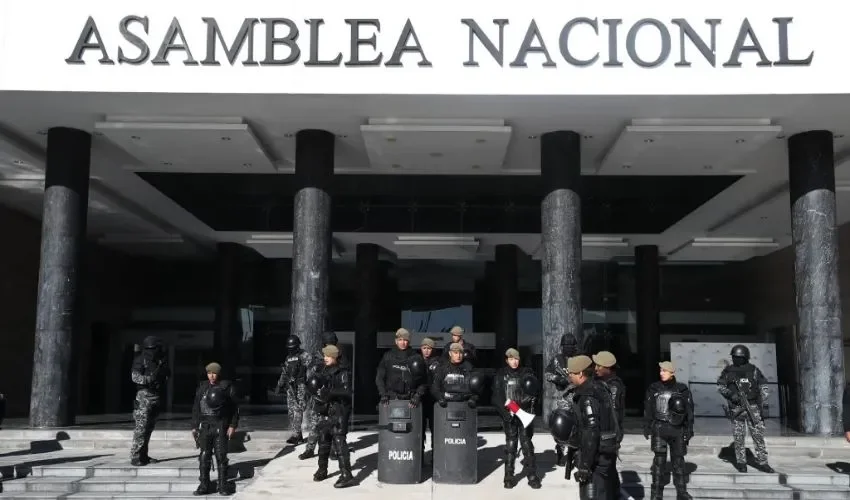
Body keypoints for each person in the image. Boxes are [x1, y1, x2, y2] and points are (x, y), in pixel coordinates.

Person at [566, 355, 620, 500]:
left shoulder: (588, 395)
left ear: (580, 374)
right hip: (603, 451)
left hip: (596, 457)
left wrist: (585, 464)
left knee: (593, 495)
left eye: (571, 373)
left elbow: (591, 432)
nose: (569, 376)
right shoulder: (599, 387)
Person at [717, 345, 775, 473]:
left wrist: (760, 399)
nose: (735, 359)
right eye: (734, 357)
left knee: (758, 436)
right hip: (736, 408)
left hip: (753, 407)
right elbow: (720, 386)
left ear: (745, 358)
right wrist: (731, 395)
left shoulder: (753, 370)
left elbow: (763, 385)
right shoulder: (728, 371)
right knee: (739, 437)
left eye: (738, 357)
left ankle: (763, 462)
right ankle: (741, 462)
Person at [492, 348, 542, 489]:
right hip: (509, 413)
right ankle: (508, 476)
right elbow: (496, 396)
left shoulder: (527, 373)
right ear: (507, 360)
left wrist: (526, 407)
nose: (514, 362)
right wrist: (505, 412)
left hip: (523, 412)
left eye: (517, 359)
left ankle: (532, 475)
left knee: (526, 444)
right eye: (511, 359)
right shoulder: (501, 374)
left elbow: (534, 391)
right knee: (511, 445)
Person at [644, 361, 694, 500]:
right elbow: (648, 408)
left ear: (672, 373)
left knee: (678, 461)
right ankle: (656, 494)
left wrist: (689, 429)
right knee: (659, 462)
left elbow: (689, 410)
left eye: (664, 371)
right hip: (660, 428)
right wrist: (647, 426)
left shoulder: (682, 389)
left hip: (677, 429)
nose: (661, 373)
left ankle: (682, 492)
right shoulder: (654, 388)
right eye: (660, 370)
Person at [310, 344, 357, 488]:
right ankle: (322, 469)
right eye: (325, 356)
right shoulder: (324, 370)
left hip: (340, 412)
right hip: (326, 411)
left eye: (328, 356)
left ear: (335, 357)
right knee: (323, 441)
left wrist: (331, 393)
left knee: (339, 443)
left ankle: (346, 475)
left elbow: (348, 392)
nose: (325, 358)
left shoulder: (343, 372)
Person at [191, 362, 240, 496]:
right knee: (204, 455)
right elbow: (196, 408)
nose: (211, 376)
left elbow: (234, 408)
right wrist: (194, 426)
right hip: (205, 425)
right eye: (209, 373)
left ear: (218, 374)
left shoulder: (226, 387)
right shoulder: (202, 387)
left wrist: (232, 425)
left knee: (221, 455)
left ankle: (223, 485)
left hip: (220, 424)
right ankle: (204, 484)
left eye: (214, 373)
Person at [300, 332, 348, 460]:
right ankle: (310, 449)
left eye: (332, 343)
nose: (330, 346)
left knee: (334, 425)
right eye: (328, 343)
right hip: (319, 396)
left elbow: (344, 374)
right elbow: (312, 375)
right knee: (315, 424)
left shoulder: (340, 356)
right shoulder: (318, 355)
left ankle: (333, 450)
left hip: (332, 397)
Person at [130, 335, 170, 466]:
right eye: (153, 349)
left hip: (156, 396)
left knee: (149, 428)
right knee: (141, 428)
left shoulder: (160, 361)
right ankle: (135, 456)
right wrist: (148, 379)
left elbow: (167, 375)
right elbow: (135, 377)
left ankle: (144, 455)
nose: (154, 352)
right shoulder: (140, 360)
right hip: (144, 395)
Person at [545, 333, 579, 467]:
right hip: (562, 397)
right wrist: (558, 379)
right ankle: (560, 450)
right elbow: (548, 374)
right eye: (566, 345)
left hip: (577, 397)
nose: (569, 348)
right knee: (561, 426)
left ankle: (575, 453)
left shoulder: (579, 359)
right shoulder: (556, 360)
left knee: (577, 426)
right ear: (562, 346)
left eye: (571, 345)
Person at [376, 328, 427, 408]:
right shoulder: (388, 356)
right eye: (400, 340)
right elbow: (379, 378)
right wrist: (383, 394)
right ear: (396, 341)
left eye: (405, 340)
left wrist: (418, 395)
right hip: (391, 399)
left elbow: (424, 381)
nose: (403, 342)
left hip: (411, 401)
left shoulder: (416, 357)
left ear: (409, 341)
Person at [275, 335, 312, 445]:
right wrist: (279, 385)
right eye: (289, 348)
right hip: (290, 387)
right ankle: (298, 434)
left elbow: (311, 371)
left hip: (300, 386)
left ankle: (296, 435)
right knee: (291, 412)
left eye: (292, 347)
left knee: (298, 410)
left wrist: (309, 386)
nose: (290, 350)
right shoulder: (288, 358)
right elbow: (285, 373)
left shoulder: (305, 356)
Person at [431, 343, 476, 408]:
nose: (459, 356)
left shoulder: (468, 367)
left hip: (463, 404)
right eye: (456, 353)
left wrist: (472, 399)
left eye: (460, 353)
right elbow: (435, 388)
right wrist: (440, 398)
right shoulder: (442, 368)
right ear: (450, 353)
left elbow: (474, 386)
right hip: (446, 403)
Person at [419, 337, 441, 458]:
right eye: (424, 348)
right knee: (419, 431)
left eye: (429, 348)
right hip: (421, 400)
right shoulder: (416, 361)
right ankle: (420, 457)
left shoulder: (438, 362)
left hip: (433, 401)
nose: (427, 351)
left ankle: (435, 458)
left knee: (435, 431)